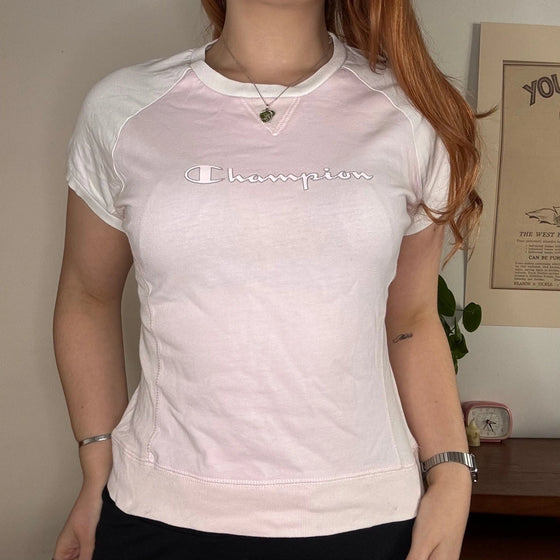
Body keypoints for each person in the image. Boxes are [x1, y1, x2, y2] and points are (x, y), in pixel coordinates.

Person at [52, 1, 485, 559]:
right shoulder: (123, 108)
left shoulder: (410, 115)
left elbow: (412, 319)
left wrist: (451, 474)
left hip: (366, 519)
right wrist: (96, 465)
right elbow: (87, 296)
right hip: (158, 513)